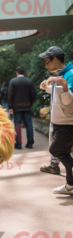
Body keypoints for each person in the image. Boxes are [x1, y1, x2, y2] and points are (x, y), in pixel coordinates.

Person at [39, 46, 73, 195]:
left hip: (67, 122)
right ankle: (70, 185)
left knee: (57, 150)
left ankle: (71, 184)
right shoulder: (62, 74)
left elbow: (69, 101)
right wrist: (47, 88)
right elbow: (60, 95)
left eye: (46, 62)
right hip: (61, 121)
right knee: (60, 150)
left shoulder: (69, 75)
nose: (45, 65)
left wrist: (65, 89)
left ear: (55, 59)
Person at [8, 66, 36, 149]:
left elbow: (10, 95)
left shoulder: (13, 81)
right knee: (29, 124)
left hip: (16, 107)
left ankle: (19, 143)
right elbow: (33, 94)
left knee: (18, 125)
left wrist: (10, 107)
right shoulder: (29, 81)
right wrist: (30, 103)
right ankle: (30, 143)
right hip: (27, 107)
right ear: (24, 72)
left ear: (17, 72)